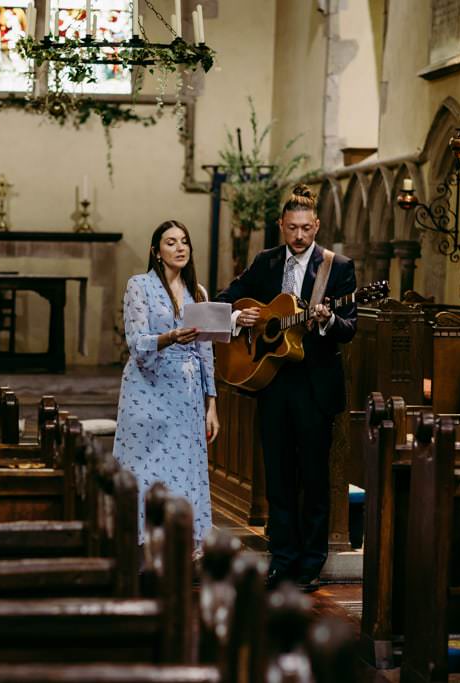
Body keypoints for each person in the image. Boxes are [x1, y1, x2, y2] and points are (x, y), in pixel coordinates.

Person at [216, 184, 357, 592]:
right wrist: (239, 318)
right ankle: (282, 560)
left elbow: (349, 326)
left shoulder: (337, 267)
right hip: (273, 381)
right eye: (292, 228)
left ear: (317, 225)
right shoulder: (266, 262)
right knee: (277, 477)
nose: (299, 236)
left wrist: (328, 320)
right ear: (281, 225)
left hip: (314, 385)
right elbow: (228, 296)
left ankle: (311, 563)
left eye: (306, 228)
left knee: (312, 479)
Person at [113, 220, 220, 552]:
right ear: (156, 251)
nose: (180, 248)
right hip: (148, 388)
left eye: (184, 241)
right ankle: (140, 543)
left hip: (187, 395)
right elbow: (136, 341)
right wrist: (169, 337)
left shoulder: (197, 292)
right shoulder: (139, 285)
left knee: (184, 467)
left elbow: (205, 350)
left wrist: (212, 403)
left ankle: (179, 544)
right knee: (145, 468)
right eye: (171, 242)